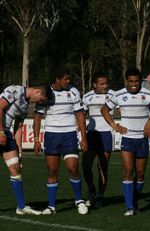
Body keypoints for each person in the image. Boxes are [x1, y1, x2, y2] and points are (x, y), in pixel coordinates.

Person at [101, 67, 150, 216]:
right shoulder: (119, 95)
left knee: (140, 173)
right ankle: (130, 207)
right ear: (127, 81)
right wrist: (114, 125)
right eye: (131, 81)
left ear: (140, 81)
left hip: (143, 139)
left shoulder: (148, 95)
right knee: (128, 170)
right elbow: (104, 110)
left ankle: (135, 199)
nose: (133, 84)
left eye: (136, 81)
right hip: (127, 138)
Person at [33, 68, 88, 215]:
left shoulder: (74, 92)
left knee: (73, 168)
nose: (69, 81)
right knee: (52, 171)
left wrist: (84, 138)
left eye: (69, 79)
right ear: (57, 79)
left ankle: (79, 200)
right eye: (66, 79)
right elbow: (37, 117)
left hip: (69, 135)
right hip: (51, 136)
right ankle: (51, 206)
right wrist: (37, 139)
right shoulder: (46, 92)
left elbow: (80, 116)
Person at [0, 84, 52, 215]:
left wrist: (19, 150)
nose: (39, 102)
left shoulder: (26, 106)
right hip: (1, 131)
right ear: (37, 91)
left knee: (15, 167)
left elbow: (18, 127)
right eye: (40, 99)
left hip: (6, 132)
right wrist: (0, 132)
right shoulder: (15, 91)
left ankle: (21, 207)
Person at [82, 72, 116, 208]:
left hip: (107, 134)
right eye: (102, 84)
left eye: (106, 83)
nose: (105, 86)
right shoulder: (87, 96)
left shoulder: (114, 95)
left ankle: (100, 196)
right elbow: (81, 115)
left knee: (102, 167)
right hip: (92, 134)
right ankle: (91, 190)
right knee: (86, 165)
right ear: (95, 84)